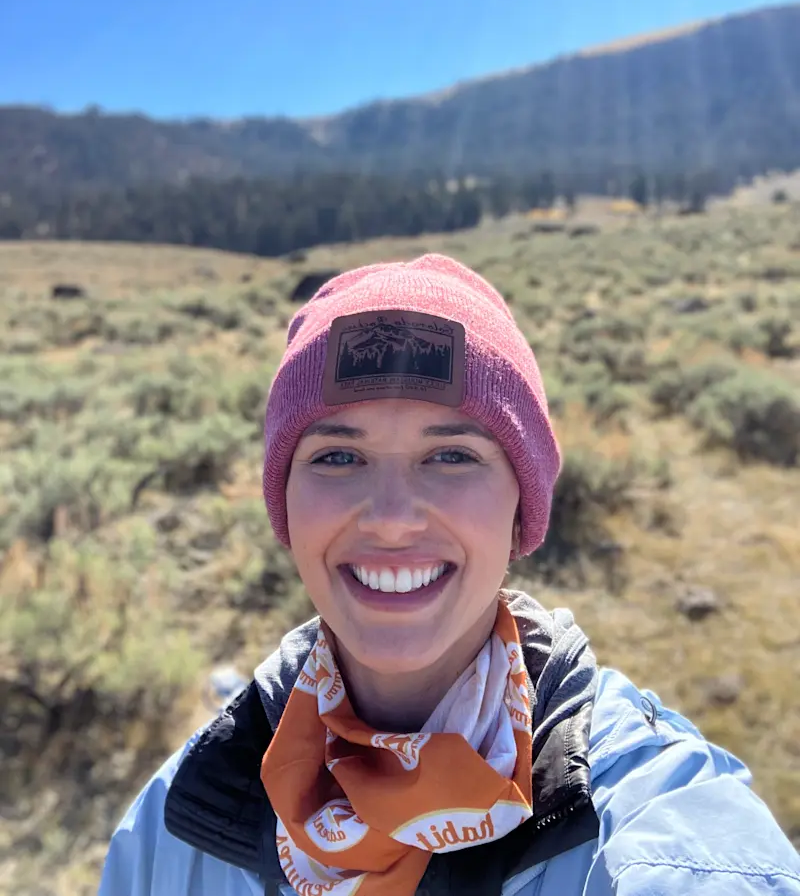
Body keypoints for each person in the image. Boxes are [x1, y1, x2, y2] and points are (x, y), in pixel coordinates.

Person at [99, 254, 800, 896]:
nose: (393, 517)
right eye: (338, 457)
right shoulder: (178, 819)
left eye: (453, 456)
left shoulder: (659, 844)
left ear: (522, 504)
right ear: (284, 502)